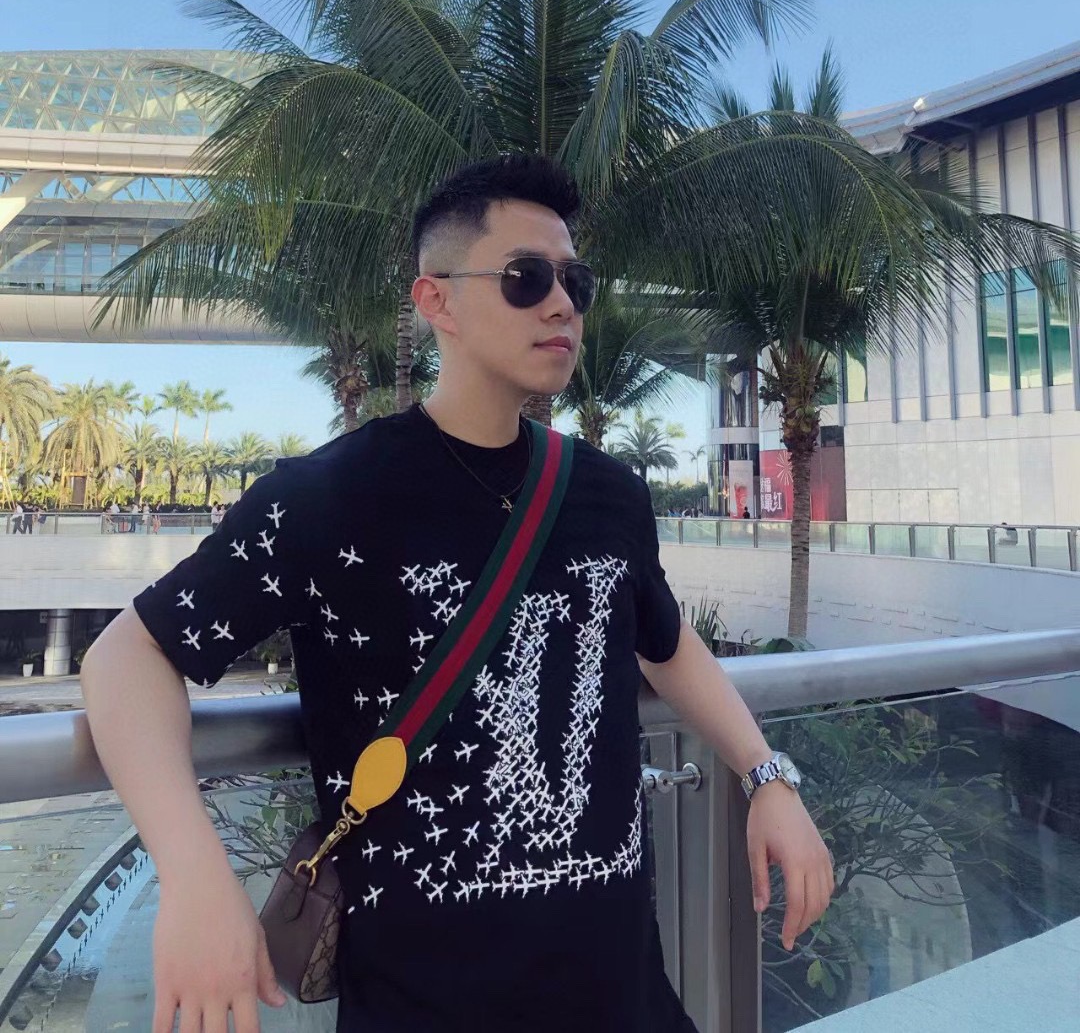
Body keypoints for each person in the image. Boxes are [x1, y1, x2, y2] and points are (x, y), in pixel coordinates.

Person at [80, 155, 832, 1033]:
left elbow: (662, 643)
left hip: (626, 1002)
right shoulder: (330, 496)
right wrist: (193, 873)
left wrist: (766, 774)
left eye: (576, 281)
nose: (562, 304)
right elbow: (129, 653)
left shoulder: (608, 493)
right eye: (526, 278)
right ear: (436, 301)